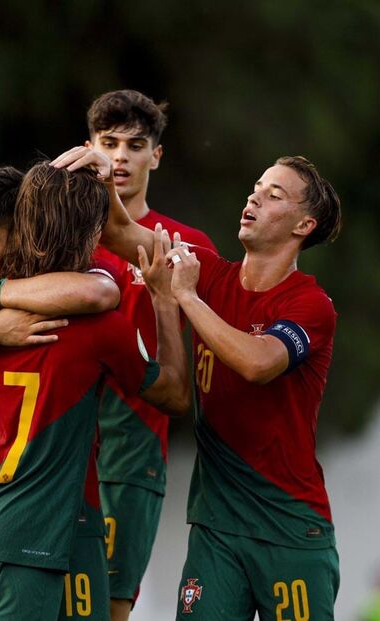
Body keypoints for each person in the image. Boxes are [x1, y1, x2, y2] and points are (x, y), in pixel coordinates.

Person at [52, 147, 342, 620]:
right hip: (216, 526)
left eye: (273, 195)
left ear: (303, 226)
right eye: (255, 188)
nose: (253, 199)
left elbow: (258, 363)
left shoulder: (310, 305)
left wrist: (184, 296)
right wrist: (105, 185)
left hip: (289, 528)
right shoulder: (208, 270)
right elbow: (120, 232)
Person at [0, 162, 191, 620]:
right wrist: (165, 301)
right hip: (26, 534)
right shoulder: (93, 322)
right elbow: (174, 396)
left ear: (24, 232)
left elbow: (99, 290)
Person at [85, 89, 218, 621]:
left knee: (113, 607)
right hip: (61, 438)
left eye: (135, 144)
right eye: (108, 143)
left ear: (156, 155)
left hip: (133, 448)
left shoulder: (185, 244)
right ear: (89, 147)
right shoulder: (63, 238)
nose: (120, 156)